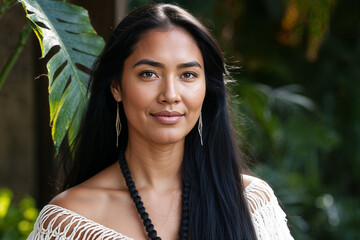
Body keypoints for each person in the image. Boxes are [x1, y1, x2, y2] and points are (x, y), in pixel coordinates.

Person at [28, 3, 294, 240]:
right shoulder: (69, 223)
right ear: (116, 87)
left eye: (188, 75)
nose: (170, 95)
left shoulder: (251, 203)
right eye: (149, 74)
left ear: (206, 89)